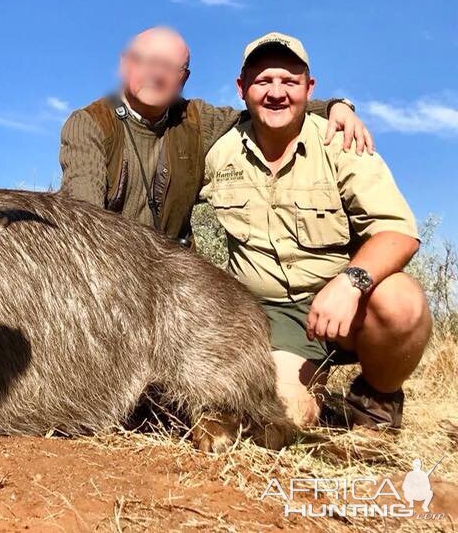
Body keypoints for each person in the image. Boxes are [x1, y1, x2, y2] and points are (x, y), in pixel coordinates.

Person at [201, 32, 431, 429]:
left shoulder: (342, 141)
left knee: (401, 302)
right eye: (262, 81)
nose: (276, 93)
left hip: (349, 306)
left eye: (289, 82)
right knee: (279, 417)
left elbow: (398, 232)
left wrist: (349, 283)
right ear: (242, 89)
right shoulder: (218, 152)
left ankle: (375, 401)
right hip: (272, 319)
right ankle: (313, 397)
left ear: (310, 88)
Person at [59, 26, 371, 244]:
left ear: (184, 79)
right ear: (125, 64)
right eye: (145, 61)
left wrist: (335, 106)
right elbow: (83, 223)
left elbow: (266, 108)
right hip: (106, 271)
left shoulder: (196, 120)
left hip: (175, 280)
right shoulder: (89, 124)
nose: (156, 73)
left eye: (169, 66)